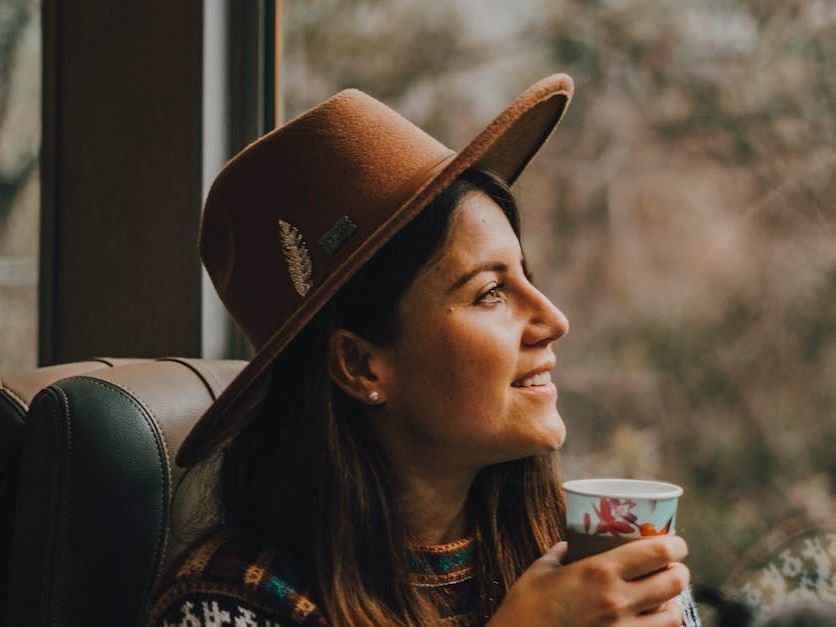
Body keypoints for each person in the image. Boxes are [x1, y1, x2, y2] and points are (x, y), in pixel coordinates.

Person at [148, 74, 699, 626]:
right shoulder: (227, 607)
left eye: (526, 278)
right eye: (490, 293)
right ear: (360, 364)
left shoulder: (584, 558)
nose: (553, 320)